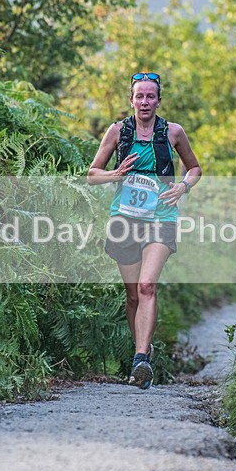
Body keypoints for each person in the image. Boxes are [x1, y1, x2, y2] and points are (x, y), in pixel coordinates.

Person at [87, 72, 201, 389]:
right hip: (125, 219)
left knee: (147, 285)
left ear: (158, 101)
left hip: (162, 217)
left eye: (151, 96)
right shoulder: (117, 132)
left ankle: (140, 361)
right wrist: (115, 174)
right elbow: (92, 174)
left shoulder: (173, 132)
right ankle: (144, 348)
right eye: (140, 96)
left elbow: (194, 168)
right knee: (133, 295)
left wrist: (183, 186)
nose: (145, 101)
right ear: (132, 100)